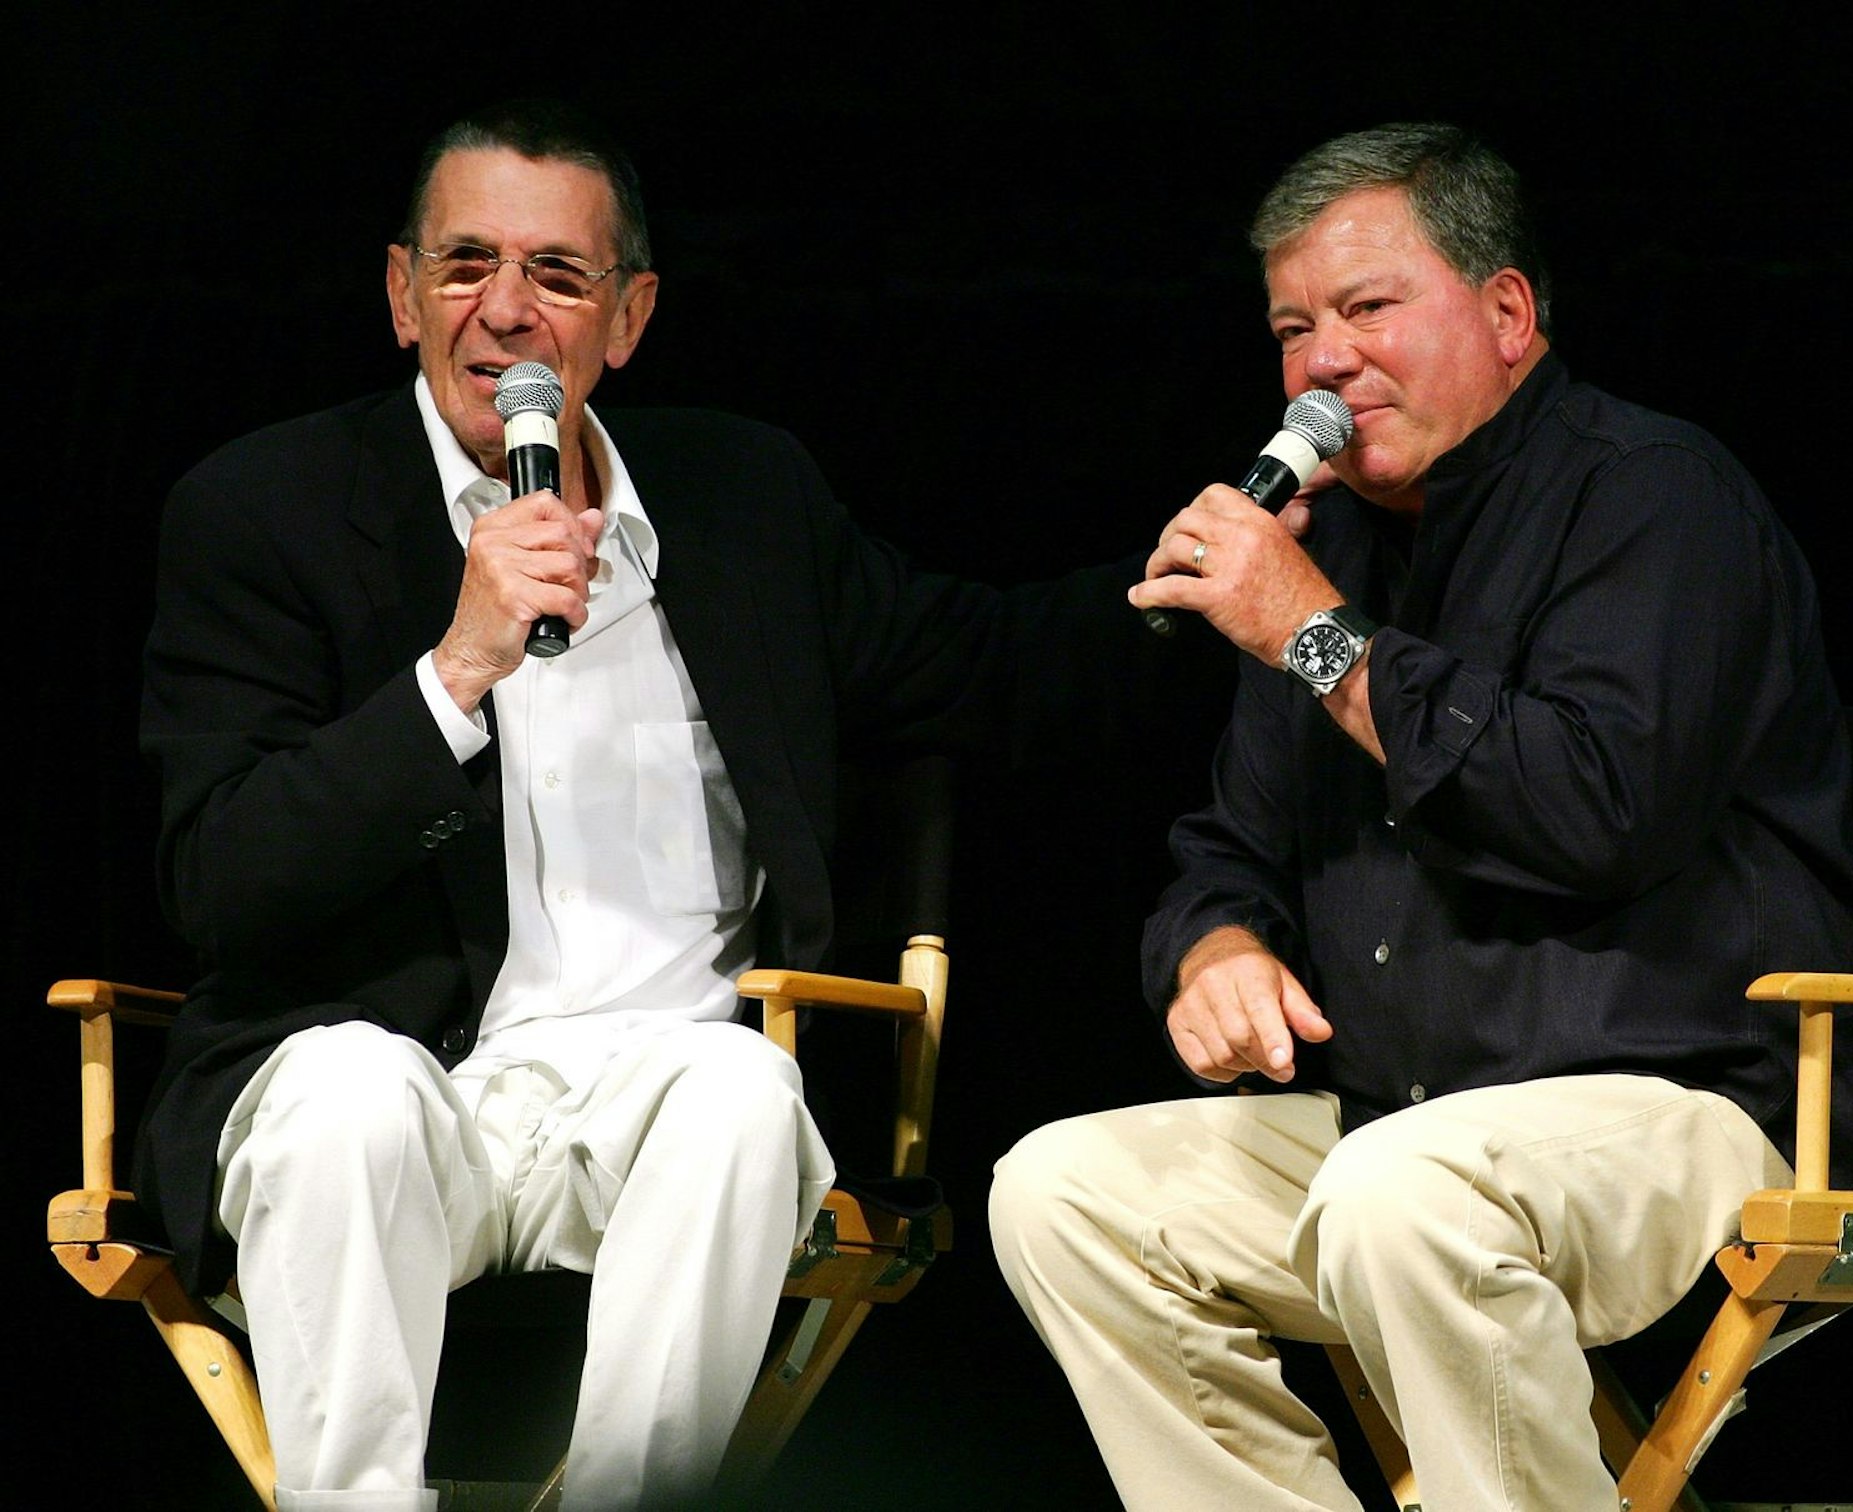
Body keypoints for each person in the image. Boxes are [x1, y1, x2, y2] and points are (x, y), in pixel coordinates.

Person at [134, 99, 1161, 1510]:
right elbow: (226, 881)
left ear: (627, 317)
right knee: (342, 1091)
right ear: (398, 294)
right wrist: (457, 670)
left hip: (650, 1112)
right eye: (463, 266)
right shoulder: (267, 511)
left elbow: (980, 664)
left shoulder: (746, 500)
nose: (504, 315)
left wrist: (1203, 594)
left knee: (745, 1087)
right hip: (401, 1093)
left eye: (556, 277)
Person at [987, 122, 1853, 1510]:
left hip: (1702, 1101)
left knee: (1406, 1195)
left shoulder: (1655, 497)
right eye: (1294, 326)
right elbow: (1227, 849)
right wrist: (1214, 949)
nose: (1323, 362)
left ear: (1508, 314)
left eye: (1368, 309)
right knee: (1062, 1191)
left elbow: (1594, 810)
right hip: (1409, 1120)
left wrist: (1309, 631)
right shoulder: (1332, 551)